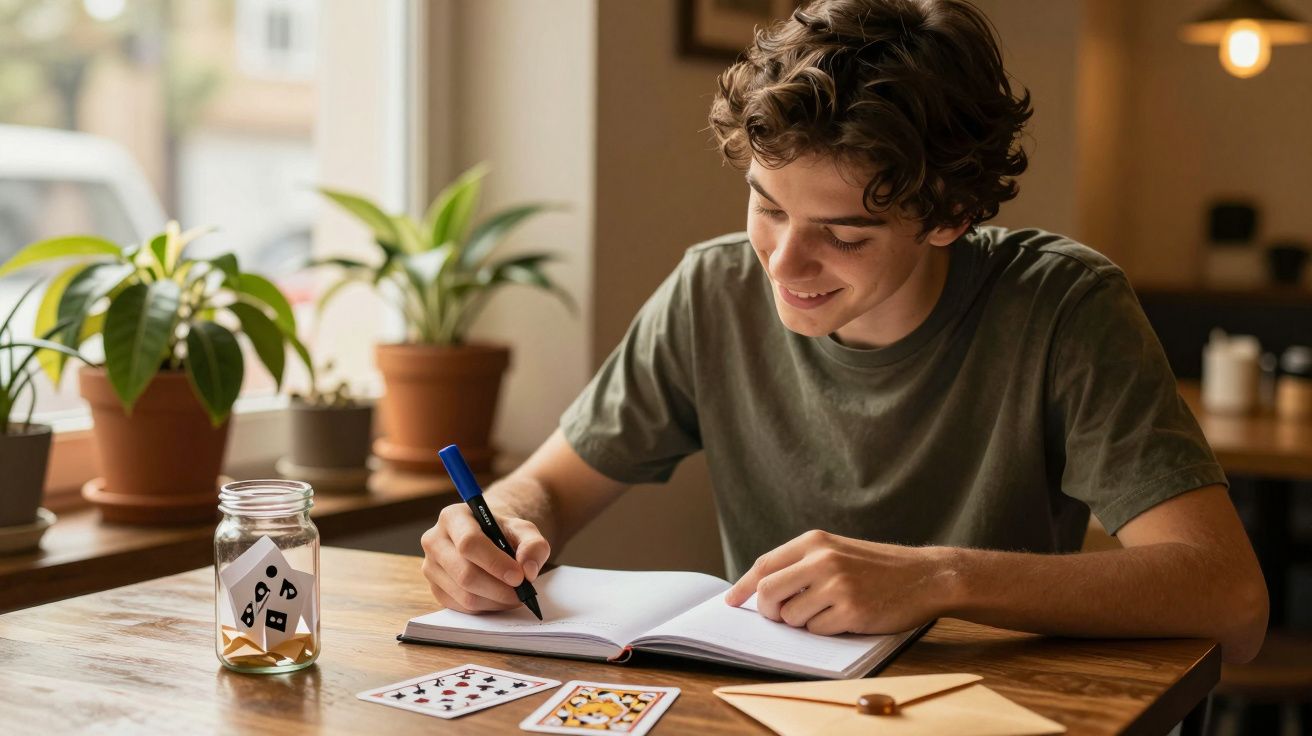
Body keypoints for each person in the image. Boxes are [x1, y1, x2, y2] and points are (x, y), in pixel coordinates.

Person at [420, 0, 1268, 663]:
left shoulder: (1064, 308)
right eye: (767, 204)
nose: (784, 264)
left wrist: (938, 578)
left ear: (950, 215)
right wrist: (493, 528)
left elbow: (1229, 597)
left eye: (845, 234)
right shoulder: (711, 291)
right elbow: (549, 491)